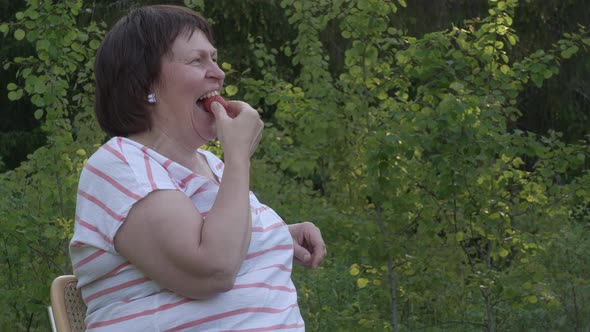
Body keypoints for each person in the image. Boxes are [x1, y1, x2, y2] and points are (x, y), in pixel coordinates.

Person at [69, 4, 326, 331]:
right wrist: (238, 157)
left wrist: (276, 234)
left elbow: (225, 234)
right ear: (145, 82)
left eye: (214, 59)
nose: (218, 73)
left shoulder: (213, 166)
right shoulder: (119, 165)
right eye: (196, 60)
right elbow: (213, 269)